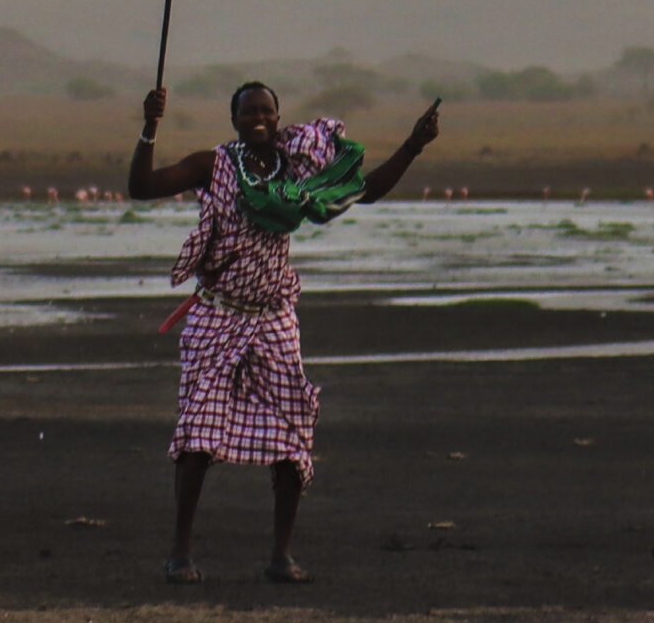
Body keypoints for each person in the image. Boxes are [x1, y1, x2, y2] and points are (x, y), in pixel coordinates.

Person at [127, 78, 440, 584]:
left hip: (274, 315)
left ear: (278, 118)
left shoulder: (296, 168)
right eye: (248, 112)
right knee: (198, 434)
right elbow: (141, 188)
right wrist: (150, 126)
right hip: (217, 313)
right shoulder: (214, 165)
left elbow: (368, 191)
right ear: (234, 120)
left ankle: (281, 556)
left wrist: (413, 145)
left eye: (267, 112)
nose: (258, 120)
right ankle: (180, 554)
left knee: (294, 433)